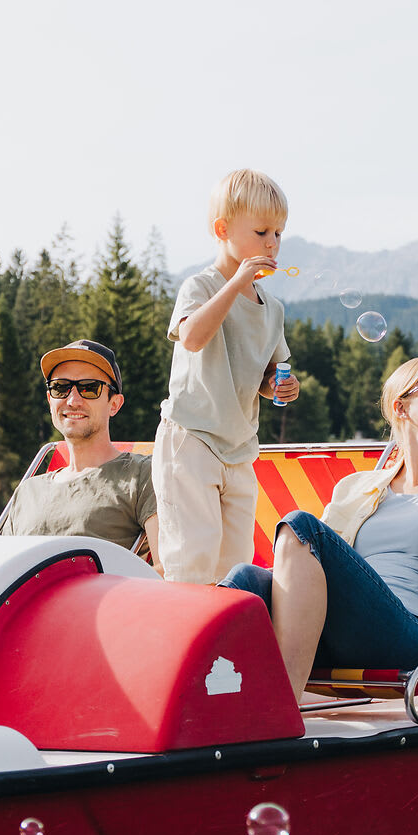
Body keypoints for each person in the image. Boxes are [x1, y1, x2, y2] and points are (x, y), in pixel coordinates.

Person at [222, 355, 418, 703]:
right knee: (245, 580)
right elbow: (313, 571)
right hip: (341, 632)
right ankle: (204, 707)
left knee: (301, 527)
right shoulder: (355, 487)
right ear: (400, 407)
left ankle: (279, 711)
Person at [155, 168, 296, 583]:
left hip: (238, 449)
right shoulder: (200, 286)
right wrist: (236, 282)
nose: (272, 243)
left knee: (235, 569)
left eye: (278, 234)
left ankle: (223, 648)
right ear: (222, 229)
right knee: (190, 561)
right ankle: (183, 646)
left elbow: (271, 375)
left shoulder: (273, 309)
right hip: (191, 439)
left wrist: (281, 386)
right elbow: (193, 338)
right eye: (261, 232)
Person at [0, 339, 164, 568]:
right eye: (60, 387)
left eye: (89, 388)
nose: (72, 400)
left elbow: (169, 572)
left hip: (102, 602)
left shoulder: (144, 474)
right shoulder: (27, 492)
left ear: (114, 404)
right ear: (49, 400)